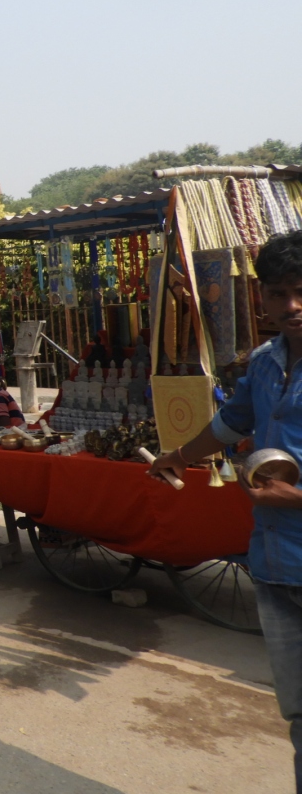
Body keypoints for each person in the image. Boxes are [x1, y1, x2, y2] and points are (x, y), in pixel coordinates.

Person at [148, 230, 302, 791]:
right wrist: (178, 456)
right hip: (274, 565)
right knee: (298, 716)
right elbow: (230, 424)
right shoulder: (263, 363)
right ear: (261, 298)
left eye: (301, 292)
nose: (292, 306)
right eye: (279, 293)